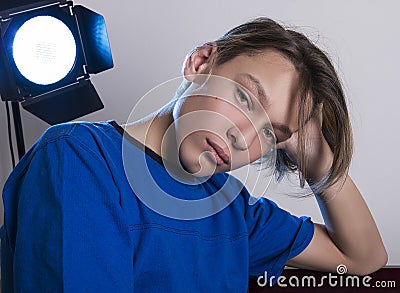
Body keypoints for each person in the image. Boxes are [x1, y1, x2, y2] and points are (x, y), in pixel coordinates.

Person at [1, 17, 387, 292]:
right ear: (200, 63)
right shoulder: (80, 157)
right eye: (245, 98)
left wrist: (320, 164)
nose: (243, 136)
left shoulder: (233, 209)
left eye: (271, 133)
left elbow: (362, 260)